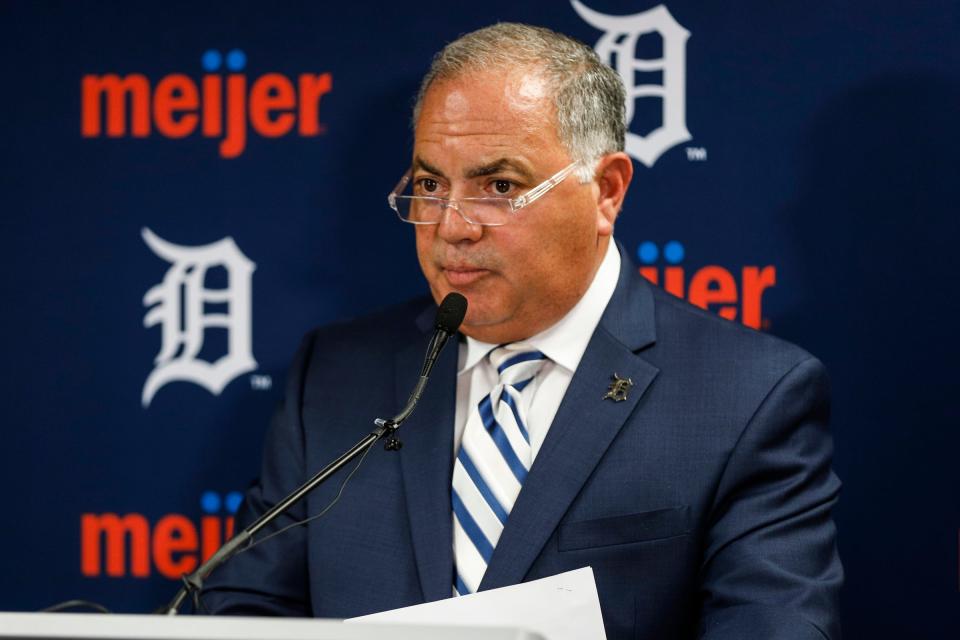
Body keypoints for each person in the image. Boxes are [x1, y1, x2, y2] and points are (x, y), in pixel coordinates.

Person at [203, 23, 842, 639]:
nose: (452, 226)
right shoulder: (337, 374)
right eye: (430, 184)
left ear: (607, 191)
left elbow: (773, 623)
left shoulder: (747, 396)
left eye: (498, 186)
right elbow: (247, 609)